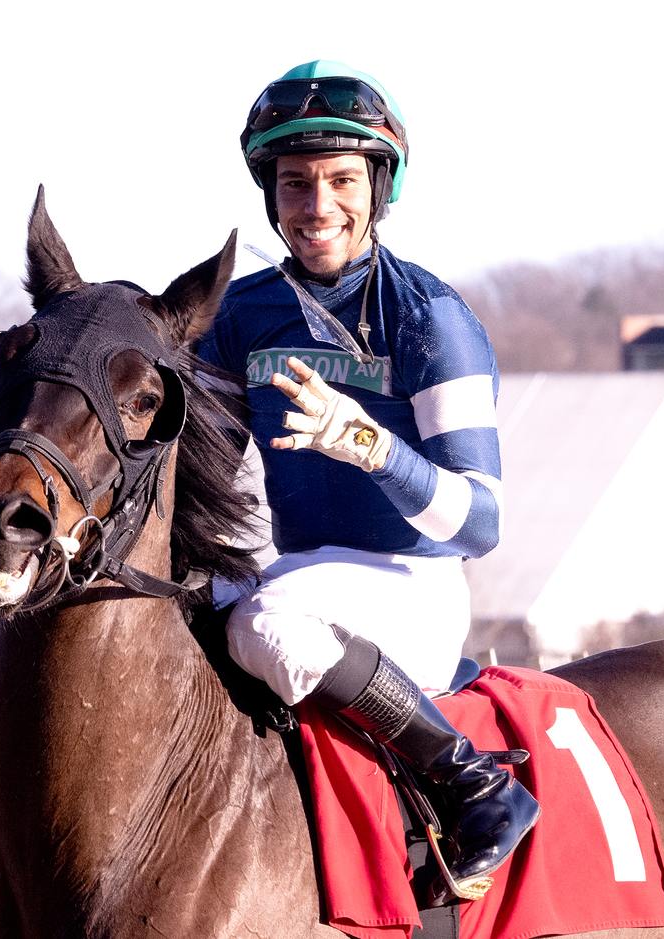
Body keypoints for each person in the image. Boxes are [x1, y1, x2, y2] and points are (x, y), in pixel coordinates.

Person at [195, 60, 539, 901]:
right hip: (306, 573)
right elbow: (196, 468)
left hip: (411, 582)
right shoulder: (241, 313)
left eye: (342, 181)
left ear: (379, 189)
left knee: (263, 626)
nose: (317, 208)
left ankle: (471, 783)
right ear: (270, 194)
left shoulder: (431, 317)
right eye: (295, 184)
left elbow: (483, 523)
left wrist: (374, 448)